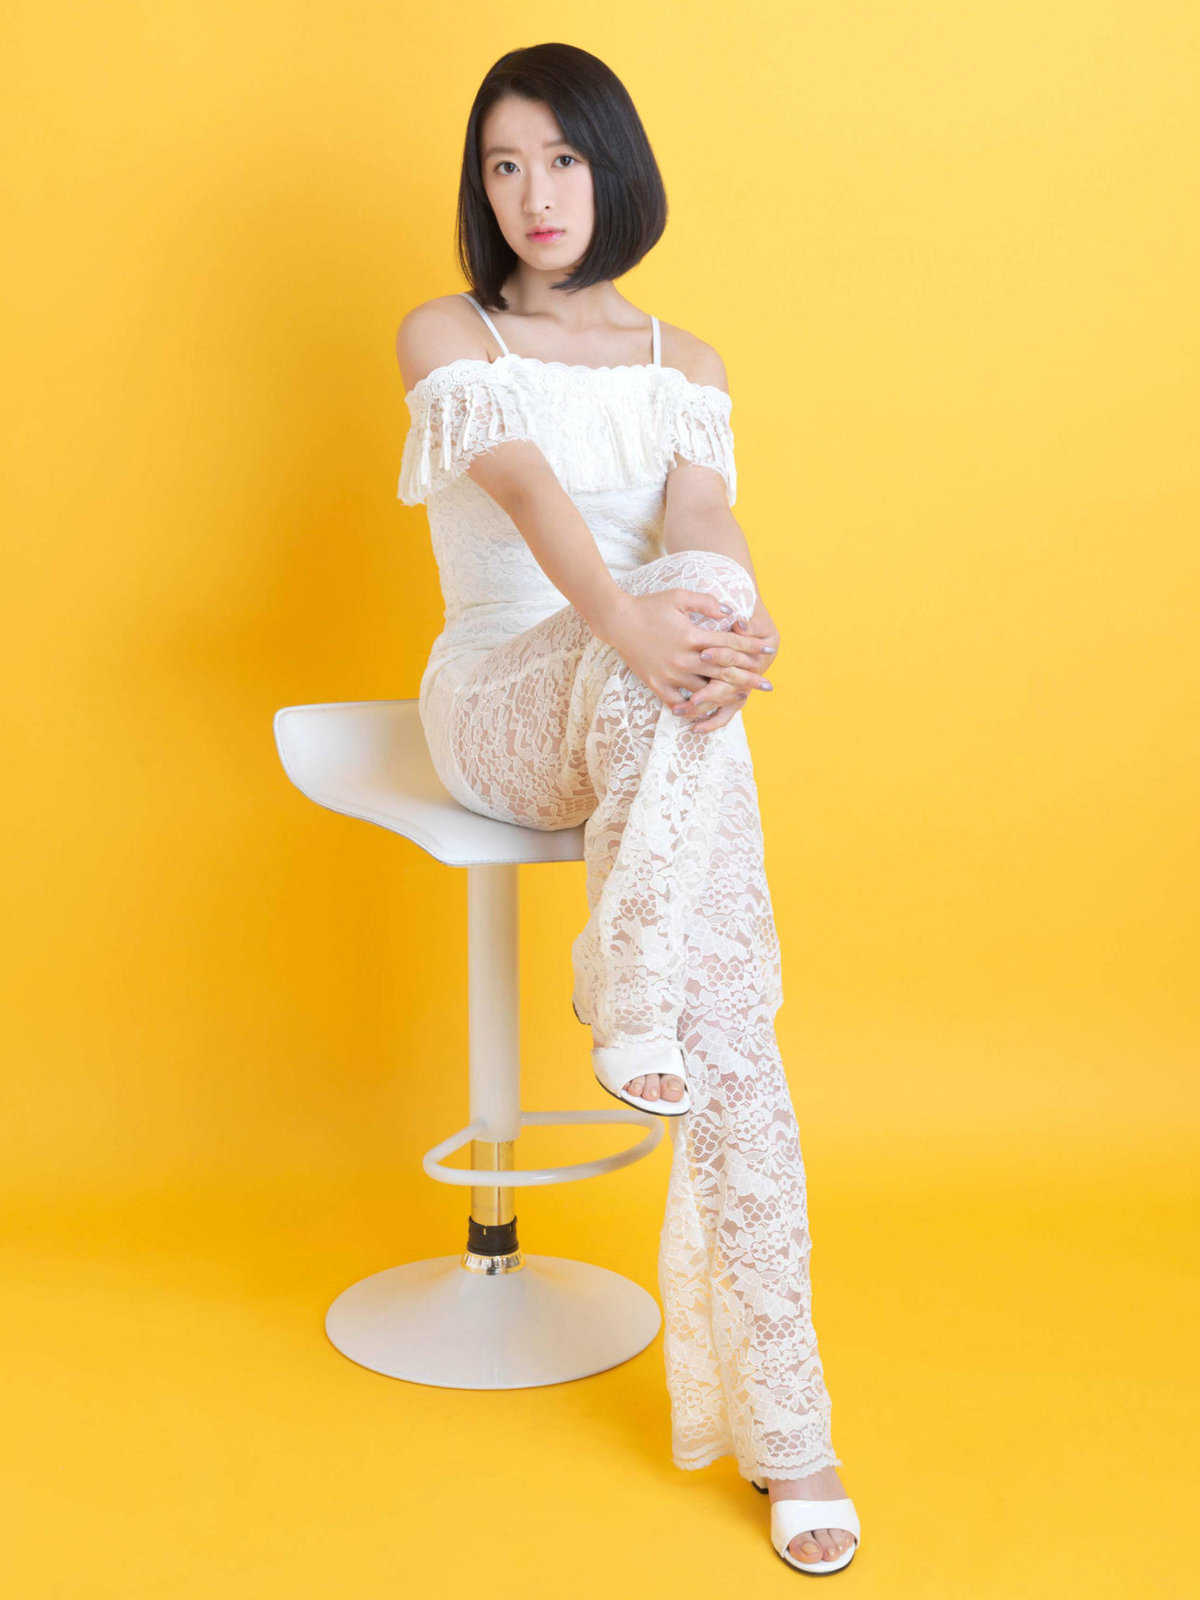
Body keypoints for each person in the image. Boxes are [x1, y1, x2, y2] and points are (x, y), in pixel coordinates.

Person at [394, 42, 861, 1576]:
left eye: (563, 158)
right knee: (675, 622)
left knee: (728, 1008)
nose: (534, 194)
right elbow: (532, 497)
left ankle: (795, 1437)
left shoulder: (687, 362)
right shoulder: (447, 332)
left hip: (649, 710)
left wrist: (742, 626)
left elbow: (705, 519)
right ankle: (628, 982)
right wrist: (641, 625)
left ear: (615, 168)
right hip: (503, 701)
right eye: (504, 164)